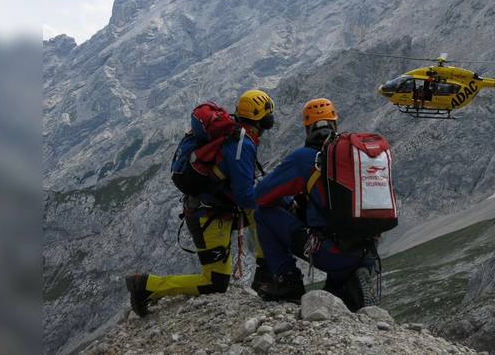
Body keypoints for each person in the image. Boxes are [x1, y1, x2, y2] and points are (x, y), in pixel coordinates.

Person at [125, 89, 281, 317]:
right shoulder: (242, 143)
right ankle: (145, 285)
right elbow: (245, 196)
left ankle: (264, 278)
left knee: (270, 216)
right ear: (265, 119)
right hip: (210, 217)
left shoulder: (235, 135)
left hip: (213, 211)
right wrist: (279, 195)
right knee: (215, 282)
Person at [253, 98, 378, 311]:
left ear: (306, 128)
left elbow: (262, 196)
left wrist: (288, 202)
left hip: (331, 254)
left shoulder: (304, 158)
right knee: (333, 299)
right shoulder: (356, 154)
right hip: (368, 251)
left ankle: (288, 281)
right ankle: (348, 285)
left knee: (262, 213)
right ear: (335, 125)